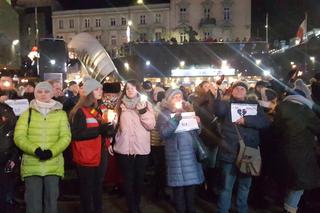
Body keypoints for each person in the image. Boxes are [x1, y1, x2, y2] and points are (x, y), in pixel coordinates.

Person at [212, 81, 270, 213]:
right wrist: (217, 96)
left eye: (242, 88)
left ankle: (242, 209)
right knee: (226, 186)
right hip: (230, 151)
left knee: (245, 185)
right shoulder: (226, 105)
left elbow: (265, 122)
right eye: (236, 88)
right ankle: (223, 210)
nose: (239, 90)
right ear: (231, 91)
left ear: (246, 91)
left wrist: (246, 121)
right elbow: (218, 110)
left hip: (249, 151)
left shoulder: (254, 105)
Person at [14, 81, 71, 213]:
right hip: (32, 165)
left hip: (53, 165)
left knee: (51, 203)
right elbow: (19, 137)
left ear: (51, 93)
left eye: (46, 91)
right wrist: (35, 150)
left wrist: (52, 151)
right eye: (39, 91)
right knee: (33, 204)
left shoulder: (61, 114)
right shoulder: (27, 113)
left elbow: (66, 137)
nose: (43, 94)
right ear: (35, 93)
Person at [69, 78, 115, 213]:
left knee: (98, 186)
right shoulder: (79, 111)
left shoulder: (98, 109)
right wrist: (99, 130)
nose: (100, 91)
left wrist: (109, 129)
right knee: (87, 188)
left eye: (101, 89)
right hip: (86, 155)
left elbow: (102, 130)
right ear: (89, 92)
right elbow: (76, 134)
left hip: (100, 153)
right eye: (97, 89)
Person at [274, 79, 320, 213]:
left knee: (292, 183)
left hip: (285, 151)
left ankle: (289, 206)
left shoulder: (281, 108)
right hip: (302, 153)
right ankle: (289, 209)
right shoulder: (304, 111)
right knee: (298, 186)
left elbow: (276, 130)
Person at [157, 88, 204, 213]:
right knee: (178, 192)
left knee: (190, 192)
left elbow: (196, 132)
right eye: (174, 96)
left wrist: (198, 123)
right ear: (168, 100)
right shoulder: (164, 114)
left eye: (180, 96)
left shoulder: (188, 111)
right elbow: (163, 133)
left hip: (190, 155)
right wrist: (175, 119)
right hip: (176, 156)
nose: (178, 98)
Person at [114, 79, 155, 213]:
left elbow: (151, 125)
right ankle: (133, 208)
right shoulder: (120, 106)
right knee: (128, 179)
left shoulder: (146, 104)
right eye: (127, 88)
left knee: (138, 180)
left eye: (132, 88)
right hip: (124, 149)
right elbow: (114, 125)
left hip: (141, 149)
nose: (130, 90)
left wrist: (142, 112)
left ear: (138, 90)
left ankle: (136, 203)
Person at [0, 91, 18, 210]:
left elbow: (15, 135)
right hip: (6, 153)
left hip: (5, 154)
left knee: (4, 187)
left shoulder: (8, 110)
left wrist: (13, 157)